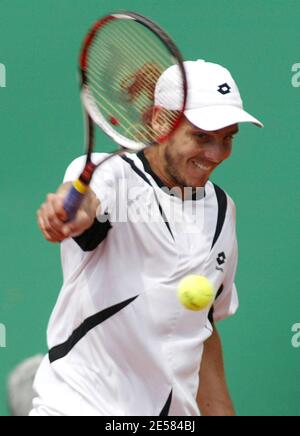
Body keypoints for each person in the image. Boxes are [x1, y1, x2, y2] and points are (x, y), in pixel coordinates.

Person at [31, 60, 263, 416]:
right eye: (202, 136)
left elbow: (203, 329)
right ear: (160, 121)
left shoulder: (222, 209)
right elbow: (83, 201)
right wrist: (67, 211)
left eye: (227, 138)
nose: (216, 154)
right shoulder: (111, 176)